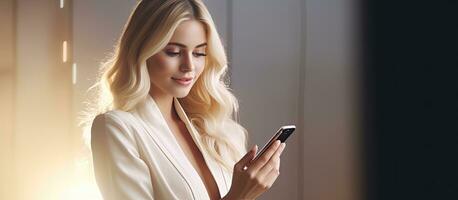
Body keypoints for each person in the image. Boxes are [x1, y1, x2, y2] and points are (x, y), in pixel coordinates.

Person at [89, 0, 286, 199]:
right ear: (142, 50)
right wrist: (239, 196)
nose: (189, 66)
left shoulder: (209, 127)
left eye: (199, 53)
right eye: (173, 52)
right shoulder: (118, 128)